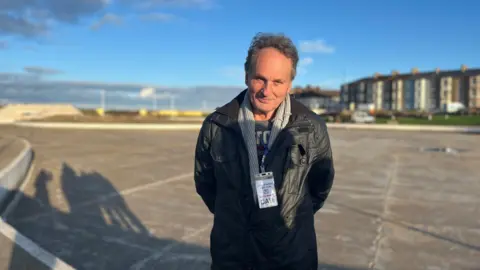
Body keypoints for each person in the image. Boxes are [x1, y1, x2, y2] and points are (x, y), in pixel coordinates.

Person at [194, 32, 335, 270]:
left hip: (292, 255)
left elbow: (321, 186)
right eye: (260, 79)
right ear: (247, 76)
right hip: (233, 254)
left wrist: (289, 219)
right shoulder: (217, 125)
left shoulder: (311, 128)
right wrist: (235, 217)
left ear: (290, 84)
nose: (266, 91)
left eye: (278, 82)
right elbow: (206, 184)